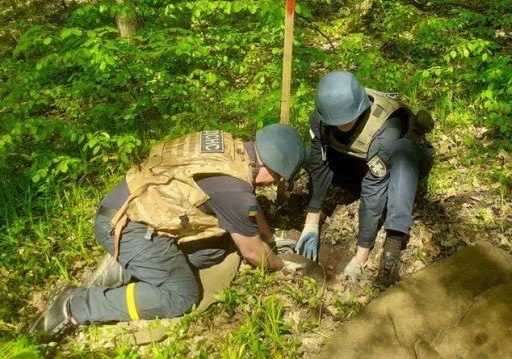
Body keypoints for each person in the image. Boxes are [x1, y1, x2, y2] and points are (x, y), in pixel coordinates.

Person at [30, 124, 306, 341]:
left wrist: (270, 238)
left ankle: (123, 267)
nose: (277, 183)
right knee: (181, 297)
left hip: (133, 208)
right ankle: (76, 305)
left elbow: (248, 209)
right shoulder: (235, 190)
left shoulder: (231, 149)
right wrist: (282, 265)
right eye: (279, 177)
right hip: (130, 227)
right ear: (270, 165)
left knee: (215, 249)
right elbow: (252, 253)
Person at [295, 71, 434, 288]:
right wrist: (311, 224)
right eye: (335, 121)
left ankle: (393, 245)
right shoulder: (321, 120)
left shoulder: (385, 129)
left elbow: (373, 189)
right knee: (305, 154)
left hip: (407, 161)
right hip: (360, 161)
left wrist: (360, 257)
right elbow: (319, 162)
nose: (341, 125)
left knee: (403, 156)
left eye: (346, 120)